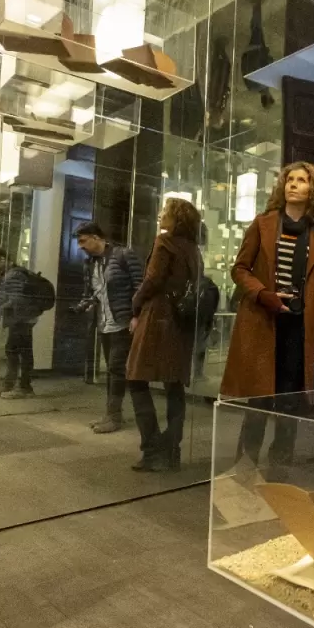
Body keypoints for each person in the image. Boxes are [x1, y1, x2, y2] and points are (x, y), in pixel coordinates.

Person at [221, 162, 314, 482]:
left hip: (298, 328)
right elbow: (239, 269)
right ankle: (244, 470)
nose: (293, 184)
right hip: (263, 322)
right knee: (259, 399)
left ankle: (279, 472)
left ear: (313, 190)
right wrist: (262, 294)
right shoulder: (263, 224)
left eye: (301, 180)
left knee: (289, 403)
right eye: (289, 179)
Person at [125, 198, 202, 472]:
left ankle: (152, 449)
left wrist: (135, 303)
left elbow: (153, 279)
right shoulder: (193, 248)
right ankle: (172, 450)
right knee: (174, 385)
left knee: (136, 379)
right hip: (181, 323)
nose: (160, 215)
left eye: (165, 211)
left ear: (176, 218)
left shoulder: (164, 242)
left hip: (157, 318)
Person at [76, 222, 144, 434]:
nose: (80, 246)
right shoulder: (90, 263)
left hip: (122, 322)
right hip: (104, 323)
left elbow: (140, 286)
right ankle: (111, 414)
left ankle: (114, 416)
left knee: (116, 368)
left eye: (83, 241)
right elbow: (92, 293)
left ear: (96, 238)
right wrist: (83, 306)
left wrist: (137, 315)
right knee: (113, 369)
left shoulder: (123, 255)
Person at [0, 250, 39, 400]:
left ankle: (22, 387)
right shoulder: (13, 273)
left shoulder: (14, 275)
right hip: (22, 318)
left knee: (16, 351)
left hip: (20, 318)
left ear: (3, 259)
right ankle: (12, 384)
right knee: (18, 351)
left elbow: (16, 299)